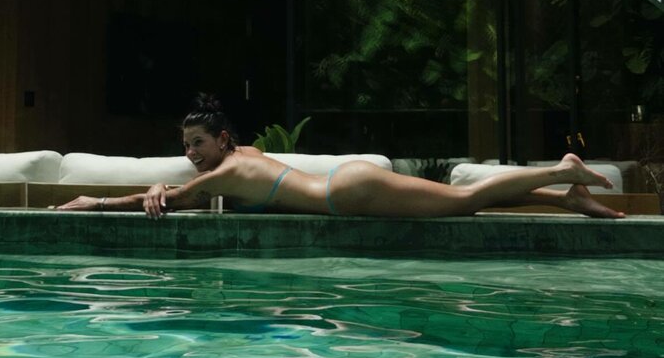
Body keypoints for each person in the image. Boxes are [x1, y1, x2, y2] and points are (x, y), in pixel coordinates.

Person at [58, 95, 625, 220]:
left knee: (464, 200)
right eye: (185, 145)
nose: (190, 153)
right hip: (347, 187)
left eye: (198, 144)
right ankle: (568, 199)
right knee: (463, 202)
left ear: (223, 140)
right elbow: (184, 195)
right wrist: (164, 188)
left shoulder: (229, 169)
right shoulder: (243, 157)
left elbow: (173, 202)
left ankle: (561, 170)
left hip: (350, 191)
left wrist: (94, 202)